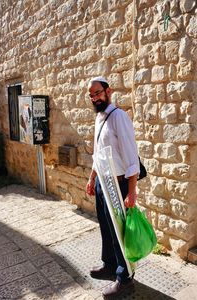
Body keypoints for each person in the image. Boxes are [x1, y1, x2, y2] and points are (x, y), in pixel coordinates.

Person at [86, 76, 140, 298]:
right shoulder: (100, 117)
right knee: (106, 228)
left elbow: (131, 156)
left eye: (98, 93)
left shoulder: (119, 117)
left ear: (109, 91)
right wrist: (92, 179)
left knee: (120, 232)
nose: (95, 98)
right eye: (91, 95)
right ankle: (109, 265)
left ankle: (125, 278)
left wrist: (133, 189)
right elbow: (99, 153)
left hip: (118, 184)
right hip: (102, 182)